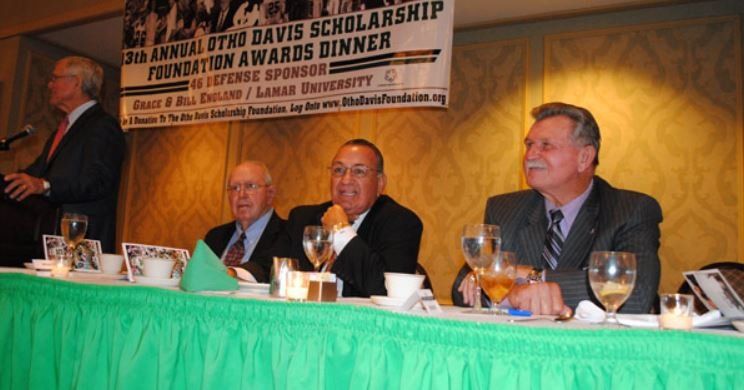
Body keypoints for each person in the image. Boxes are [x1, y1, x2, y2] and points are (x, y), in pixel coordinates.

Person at [452, 102, 662, 315]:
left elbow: (635, 295)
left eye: (545, 146)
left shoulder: (630, 210)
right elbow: (463, 287)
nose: (530, 156)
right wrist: (512, 294)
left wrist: (532, 276)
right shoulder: (506, 209)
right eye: (529, 145)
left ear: (584, 158)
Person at [3, 56, 125, 253]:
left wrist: (45, 185)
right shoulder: (62, 130)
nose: (50, 85)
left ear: (76, 82)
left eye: (55, 78)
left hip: (82, 245)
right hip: (49, 239)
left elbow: (98, 181)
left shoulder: (102, 125)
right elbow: (35, 175)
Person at [281, 139, 423, 297]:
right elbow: (273, 272)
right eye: (338, 170)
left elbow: (386, 290)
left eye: (359, 171)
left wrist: (341, 230)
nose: (346, 180)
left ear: (380, 183)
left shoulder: (401, 222)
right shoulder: (302, 218)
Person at [204, 161, 285, 283]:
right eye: (235, 188)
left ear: (270, 194)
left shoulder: (289, 236)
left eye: (250, 186)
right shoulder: (214, 236)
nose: (241, 195)